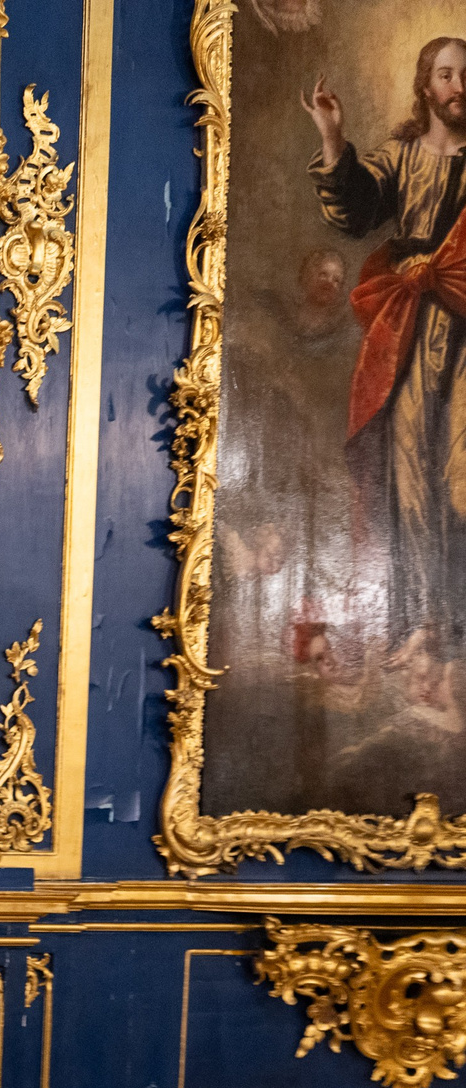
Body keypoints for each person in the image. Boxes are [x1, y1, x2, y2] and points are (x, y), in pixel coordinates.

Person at [305, 39, 466, 680]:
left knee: (457, 459)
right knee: (407, 464)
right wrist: (332, 138)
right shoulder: (399, 157)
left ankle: (453, 625)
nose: (459, 86)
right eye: (447, 75)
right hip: (408, 327)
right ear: (426, 87)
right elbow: (354, 211)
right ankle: (421, 623)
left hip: (465, 327)